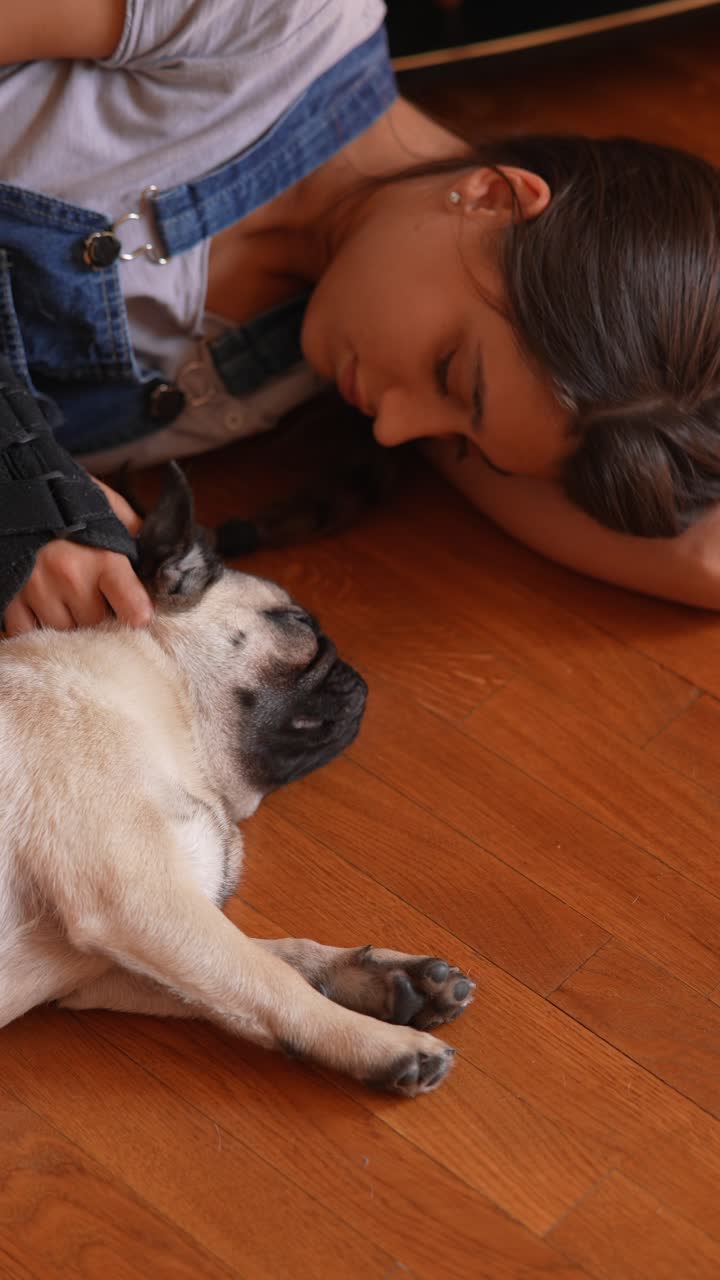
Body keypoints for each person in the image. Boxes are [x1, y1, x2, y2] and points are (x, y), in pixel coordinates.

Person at [3, 0, 720, 637]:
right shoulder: (278, 20)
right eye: (450, 372)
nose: (393, 428)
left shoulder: (314, 361)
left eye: (463, 444)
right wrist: (19, 479)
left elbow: (702, 559)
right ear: (495, 201)